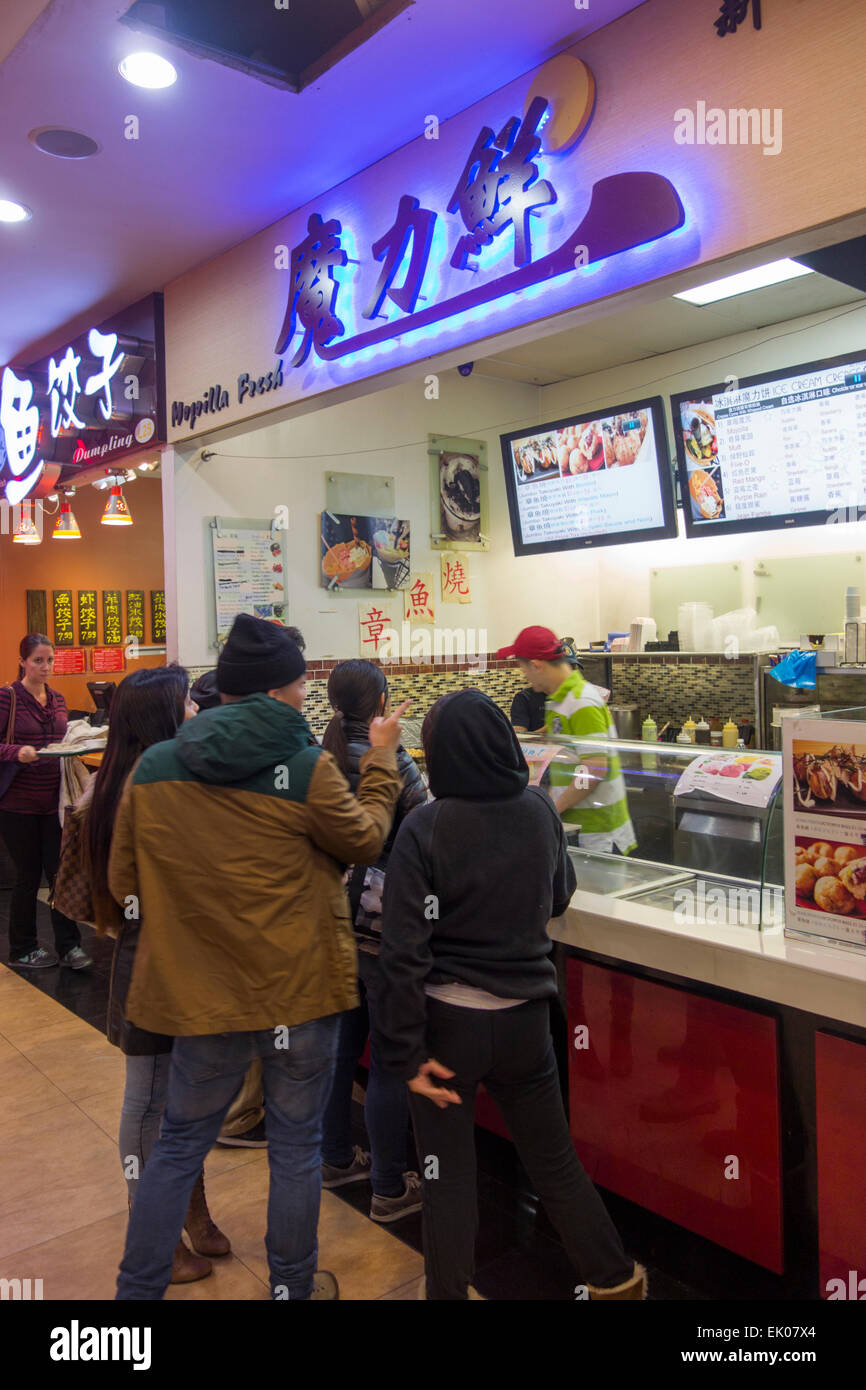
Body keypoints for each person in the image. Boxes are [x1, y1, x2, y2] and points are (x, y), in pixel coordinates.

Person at [110, 614, 406, 1300]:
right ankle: (292, 1289)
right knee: (295, 1150)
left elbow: (124, 883)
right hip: (299, 990)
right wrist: (383, 759)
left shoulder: (156, 767)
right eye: (302, 680)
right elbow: (364, 841)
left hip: (200, 995)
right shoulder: (308, 768)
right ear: (286, 688)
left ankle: (136, 1294)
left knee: (179, 1145)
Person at [375, 689, 645, 1300]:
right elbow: (559, 896)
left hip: (447, 1027)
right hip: (526, 1023)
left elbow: (403, 951)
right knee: (553, 1160)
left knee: (447, 1176)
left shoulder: (426, 825)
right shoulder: (538, 809)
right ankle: (614, 1278)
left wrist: (405, 1053)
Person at [66, 665, 225, 1283]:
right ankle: (151, 1235)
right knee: (151, 1098)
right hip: (154, 963)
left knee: (181, 1099)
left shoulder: (130, 776)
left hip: (174, 957)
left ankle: (192, 1212)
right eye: (185, 703)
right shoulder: (150, 786)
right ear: (163, 718)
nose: (193, 712)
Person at [320, 660, 427, 1221]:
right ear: (382, 697)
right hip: (384, 925)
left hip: (335, 918)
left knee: (340, 1049)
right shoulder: (393, 759)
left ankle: (335, 1159)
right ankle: (388, 1186)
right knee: (388, 1061)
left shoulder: (323, 750)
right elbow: (425, 829)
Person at [499, 626, 636, 854]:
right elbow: (568, 765)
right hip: (579, 828)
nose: (523, 674)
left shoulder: (581, 700)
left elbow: (594, 769)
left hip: (599, 833)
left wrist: (553, 808)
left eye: (523, 667)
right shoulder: (560, 700)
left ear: (536, 665)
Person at [0, 633, 91, 970]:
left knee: (59, 872)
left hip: (55, 800)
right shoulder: (7, 698)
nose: (45, 666)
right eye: (38, 660)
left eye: (50, 660)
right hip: (17, 803)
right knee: (28, 875)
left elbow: (62, 739)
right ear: (23, 661)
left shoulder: (58, 700)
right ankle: (23, 948)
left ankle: (70, 947)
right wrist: (16, 752)